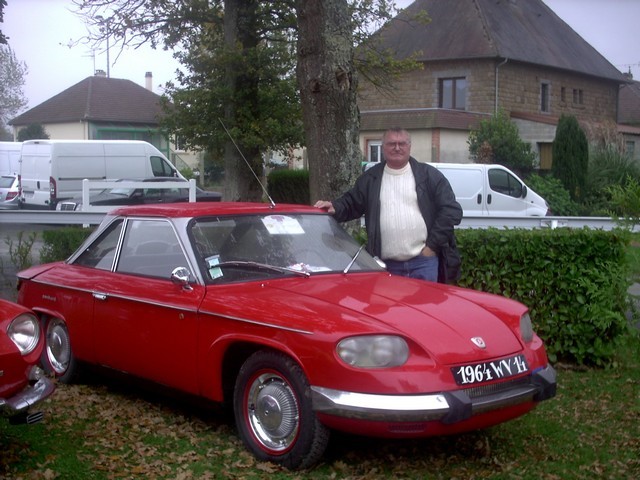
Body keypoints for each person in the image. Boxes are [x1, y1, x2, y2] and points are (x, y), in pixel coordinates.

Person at [314, 127, 463, 283]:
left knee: (422, 308)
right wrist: (334, 207)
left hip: (424, 264)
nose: (397, 148)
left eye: (402, 143)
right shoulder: (371, 179)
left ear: (409, 146)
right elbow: (352, 203)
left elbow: (451, 211)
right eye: (392, 143)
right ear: (383, 146)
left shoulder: (429, 176)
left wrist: (431, 248)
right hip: (386, 266)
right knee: (389, 308)